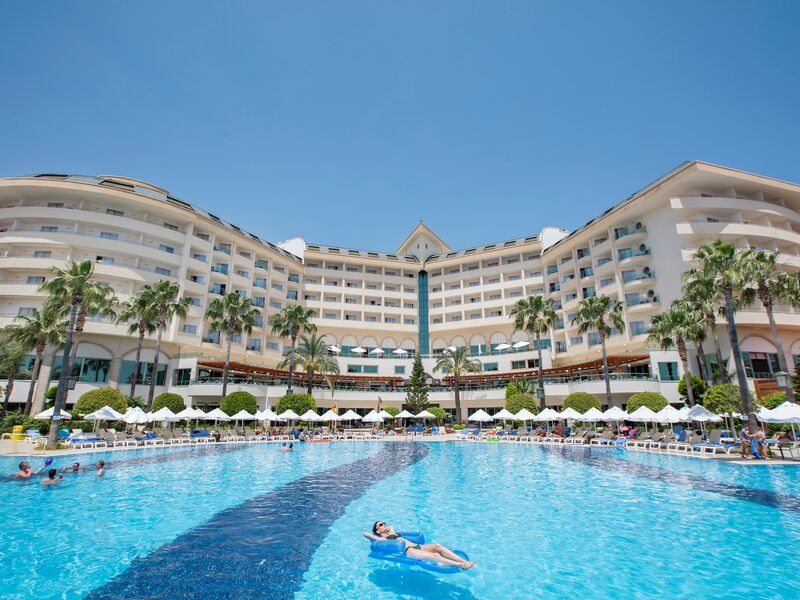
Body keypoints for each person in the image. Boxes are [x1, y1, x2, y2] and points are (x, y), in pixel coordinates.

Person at [364, 522, 475, 570]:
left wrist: (389, 529)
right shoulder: (382, 539)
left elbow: (392, 530)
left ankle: (462, 560)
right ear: (378, 530)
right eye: (381, 524)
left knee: (437, 546)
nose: (384, 524)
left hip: (418, 546)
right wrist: (377, 534)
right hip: (409, 550)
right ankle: (461, 565)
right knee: (435, 556)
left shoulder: (393, 534)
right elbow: (366, 534)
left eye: (384, 523)